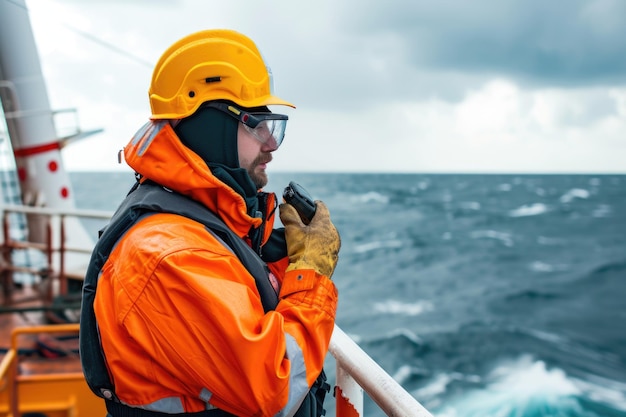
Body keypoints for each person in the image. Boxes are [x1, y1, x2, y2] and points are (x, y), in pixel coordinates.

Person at [79, 29, 341, 417]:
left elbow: (236, 301)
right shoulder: (168, 256)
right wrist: (311, 276)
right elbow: (274, 385)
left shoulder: (199, 221)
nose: (270, 143)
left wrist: (284, 256)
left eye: (273, 126)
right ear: (210, 128)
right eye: (257, 124)